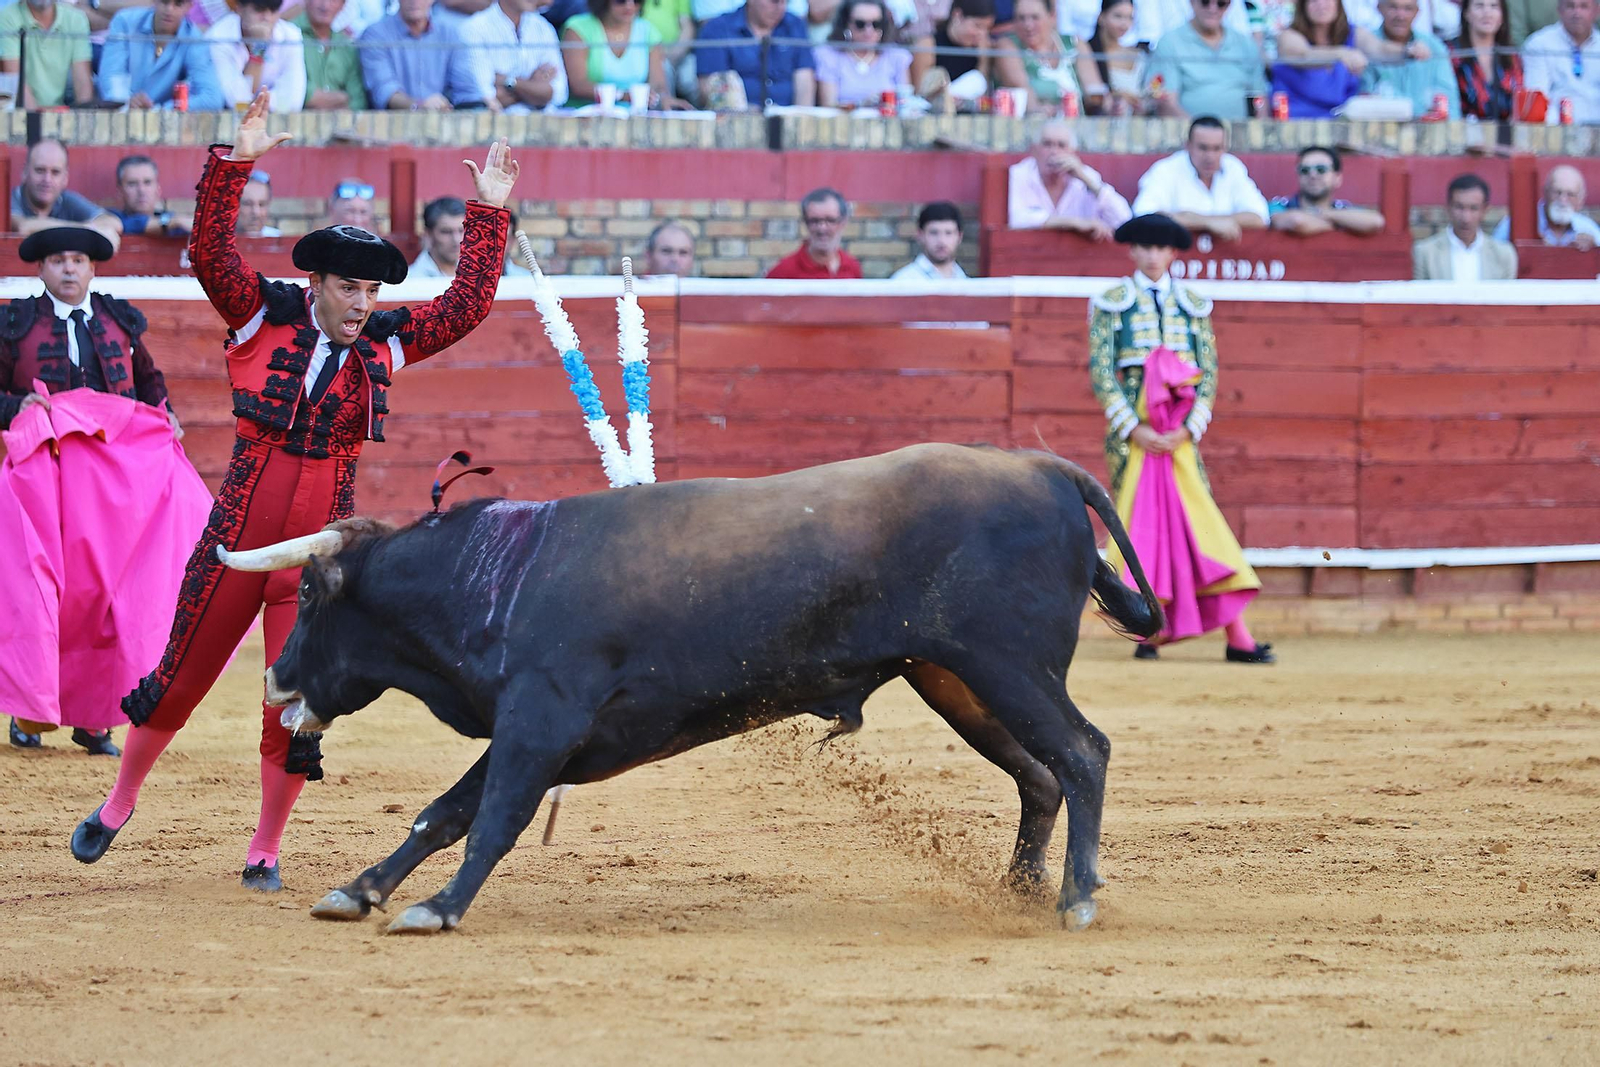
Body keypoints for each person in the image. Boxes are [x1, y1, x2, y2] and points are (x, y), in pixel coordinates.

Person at [69, 91, 519, 893]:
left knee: (293, 707)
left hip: (316, 562)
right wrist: (235, 162)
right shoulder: (259, 318)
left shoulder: (384, 346)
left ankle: (266, 848)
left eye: (372, 293)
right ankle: (119, 800)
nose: (363, 304)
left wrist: (487, 214)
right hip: (236, 542)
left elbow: (467, 306)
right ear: (316, 283)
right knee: (178, 680)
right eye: (350, 289)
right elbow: (210, 251)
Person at [1, 228, 207, 756]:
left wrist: (165, 416)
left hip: (116, 485)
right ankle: (33, 712)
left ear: (93, 269)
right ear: (40, 270)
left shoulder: (118, 320)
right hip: (47, 479)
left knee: (114, 595)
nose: (69, 269)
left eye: (78, 260)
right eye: (57, 261)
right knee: (53, 592)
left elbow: (148, 381)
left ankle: (98, 719)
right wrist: (12, 409)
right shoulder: (14, 324)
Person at [1088, 212, 1273, 665]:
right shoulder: (1111, 302)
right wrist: (1136, 429)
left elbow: (1207, 371)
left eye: (1160, 248)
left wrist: (1189, 429)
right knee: (1144, 529)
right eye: (1144, 247)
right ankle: (1147, 632)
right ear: (1132, 251)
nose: (1152, 255)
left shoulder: (1192, 303)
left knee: (1197, 528)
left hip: (1180, 441)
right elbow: (1101, 371)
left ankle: (1238, 637)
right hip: (1134, 441)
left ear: (1172, 252)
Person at [1131, 117, 1268, 243]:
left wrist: (1207, 221)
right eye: (1203, 148)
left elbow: (1260, 216)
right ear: (1188, 146)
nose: (1210, 157)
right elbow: (1144, 215)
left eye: (1217, 148)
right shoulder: (1165, 170)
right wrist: (1208, 223)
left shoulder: (1233, 167)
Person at [1007, 119, 1132, 237]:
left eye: (1061, 145)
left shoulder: (1086, 176)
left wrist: (1086, 179)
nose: (1054, 151)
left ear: (1072, 152)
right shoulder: (1018, 174)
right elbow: (1012, 217)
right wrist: (1072, 222)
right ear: (1034, 150)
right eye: (1047, 144)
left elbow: (1124, 220)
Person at [1143, 0, 1266, 119]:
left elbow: (1260, 99)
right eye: (1205, 1)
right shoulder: (1169, 42)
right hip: (1187, 135)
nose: (1213, 9)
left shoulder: (1246, 44)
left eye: (1221, 3)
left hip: (1238, 135)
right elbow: (1166, 104)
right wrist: (1203, 133)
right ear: (1191, 2)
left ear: (1229, 5)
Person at [99, 0, 227, 111]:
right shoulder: (124, 22)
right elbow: (111, 75)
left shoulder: (194, 39)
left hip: (166, 121)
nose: (169, 10)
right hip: (120, 113)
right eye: (165, 1)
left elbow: (212, 97)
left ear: (189, 7)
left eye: (178, 3)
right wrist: (127, 103)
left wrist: (161, 110)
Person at [361, 0, 486, 109]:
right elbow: (384, 91)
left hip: (443, 121)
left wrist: (481, 105)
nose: (414, 1)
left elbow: (466, 88)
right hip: (391, 126)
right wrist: (419, 106)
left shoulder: (450, 34)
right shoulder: (375, 35)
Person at [562, 0, 687, 107]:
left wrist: (663, 99)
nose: (629, 5)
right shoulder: (578, 28)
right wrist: (622, 95)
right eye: (621, 0)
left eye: (636, 0)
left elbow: (659, 86)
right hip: (584, 119)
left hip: (634, 120)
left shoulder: (648, 30)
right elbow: (578, 85)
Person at [696, 0, 817, 107]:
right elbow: (711, 88)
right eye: (774, 1)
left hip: (787, 120)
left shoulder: (795, 26)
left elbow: (805, 82)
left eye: (786, 1)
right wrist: (751, 115)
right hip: (736, 121)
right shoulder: (717, 29)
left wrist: (800, 119)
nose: (781, 7)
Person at [459, 0, 568, 112]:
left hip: (542, 121)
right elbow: (488, 99)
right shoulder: (474, 27)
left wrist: (510, 82)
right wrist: (532, 88)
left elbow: (558, 94)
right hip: (491, 123)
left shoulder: (543, 27)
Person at [12, 140, 124, 246]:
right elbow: (24, 226)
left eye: (55, 172)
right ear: (25, 172)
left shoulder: (66, 199)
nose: (47, 180)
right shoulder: (10, 199)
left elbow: (114, 223)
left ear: (65, 178)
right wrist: (86, 229)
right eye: (40, 170)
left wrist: (83, 229)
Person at [1360, 0, 1460, 117]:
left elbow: (1449, 102)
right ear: (1379, 8)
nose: (1400, 16)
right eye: (1393, 7)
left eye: (1408, 8)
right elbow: (1364, 99)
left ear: (1417, 12)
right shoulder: (1365, 45)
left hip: (1428, 130)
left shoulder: (1434, 46)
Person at [1270, 0, 1369, 117]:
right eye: (1314, 1)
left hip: (1342, 124)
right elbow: (1302, 55)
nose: (1321, 4)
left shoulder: (1353, 33)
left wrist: (1397, 50)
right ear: (1303, 6)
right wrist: (1341, 54)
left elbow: (1381, 49)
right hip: (1296, 124)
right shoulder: (1288, 36)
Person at [1413, 173, 1518, 279]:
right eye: (1459, 207)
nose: (1466, 218)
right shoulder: (1425, 253)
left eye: (1474, 208)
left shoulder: (1503, 254)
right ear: (1448, 207)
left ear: (1485, 210)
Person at [208, 0, 308, 111]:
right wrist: (259, 50)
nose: (267, 18)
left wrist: (257, 105)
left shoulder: (291, 36)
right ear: (240, 9)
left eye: (273, 11)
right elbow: (236, 101)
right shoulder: (218, 36)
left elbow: (293, 101)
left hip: (274, 120)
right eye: (259, 10)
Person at [1268, 145, 1387, 235]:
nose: (1312, 175)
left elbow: (1376, 221)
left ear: (1337, 178)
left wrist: (1322, 214)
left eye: (1321, 169)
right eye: (1305, 170)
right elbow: (1298, 222)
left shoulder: (1342, 208)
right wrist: (1341, 224)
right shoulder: (1279, 205)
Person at [815, 0, 914, 106]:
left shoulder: (897, 57)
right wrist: (861, 104)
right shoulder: (828, 56)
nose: (869, 30)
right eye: (860, 24)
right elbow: (829, 105)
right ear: (845, 24)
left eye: (876, 24)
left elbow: (905, 103)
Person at [995, 0, 1085, 115]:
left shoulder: (1074, 43)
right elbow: (1021, 89)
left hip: (1078, 125)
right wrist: (1039, 112)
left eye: (1035, 17)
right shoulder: (1007, 45)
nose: (1028, 25)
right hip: (1033, 126)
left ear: (1051, 16)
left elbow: (1095, 90)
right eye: (1021, 18)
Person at [0, 0, 94, 108]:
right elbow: (14, 78)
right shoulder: (7, 17)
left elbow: (83, 82)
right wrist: (38, 120)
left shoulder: (76, 19)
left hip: (57, 114)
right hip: (19, 115)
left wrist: (84, 119)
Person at [1522, 0, 1600, 123]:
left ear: (1597, 11)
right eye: (1570, 6)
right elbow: (1536, 101)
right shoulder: (1539, 44)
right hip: (1554, 133)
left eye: (1584, 6)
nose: (1577, 13)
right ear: (1559, 10)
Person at [1493, 164, 1599, 247]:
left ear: (1580, 200)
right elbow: (1494, 256)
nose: (1563, 200)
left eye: (1570, 195)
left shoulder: (1588, 228)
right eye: (1557, 192)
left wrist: (1594, 250)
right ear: (1545, 192)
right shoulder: (1516, 224)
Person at [1075, 0, 1151, 115]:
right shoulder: (1087, 52)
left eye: (1130, 17)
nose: (1124, 24)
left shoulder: (1139, 54)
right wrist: (1118, 95)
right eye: (1118, 16)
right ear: (1101, 17)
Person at [767, 187, 864, 278]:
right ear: (805, 222)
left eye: (830, 220)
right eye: (814, 221)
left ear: (843, 222)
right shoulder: (784, 272)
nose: (822, 228)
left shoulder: (852, 267)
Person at [908, 0, 995, 101]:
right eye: (977, 26)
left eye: (987, 28)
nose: (982, 34)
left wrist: (983, 60)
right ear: (957, 15)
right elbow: (918, 94)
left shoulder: (982, 47)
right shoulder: (928, 46)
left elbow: (983, 92)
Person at [294, 0, 370, 109]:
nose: (325, 5)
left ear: (343, 5)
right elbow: (290, 88)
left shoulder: (346, 46)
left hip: (342, 124)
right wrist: (340, 98)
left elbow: (357, 100)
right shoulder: (288, 35)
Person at [112, 157, 195, 239]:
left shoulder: (173, 220)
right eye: (132, 184)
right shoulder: (111, 218)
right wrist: (173, 222)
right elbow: (130, 224)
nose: (141, 190)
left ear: (158, 189)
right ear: (120, 191)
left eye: (147, 182)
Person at [891, 201, 968, 278]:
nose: (941, 241)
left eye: (948, 233)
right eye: (934, 233)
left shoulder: (966, 281)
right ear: (920, 235)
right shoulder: (903, 280)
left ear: (959, 236)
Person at [411, 196, 468, 276]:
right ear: (428, 234)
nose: (456, 240)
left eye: (461, 230)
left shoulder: (479, 274)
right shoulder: (413, 279)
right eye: (446, 232)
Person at [237, 170, 283, 237]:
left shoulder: (278, 241)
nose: (256, 213)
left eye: (262, 205)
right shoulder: (220, 242)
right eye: (248, 204)